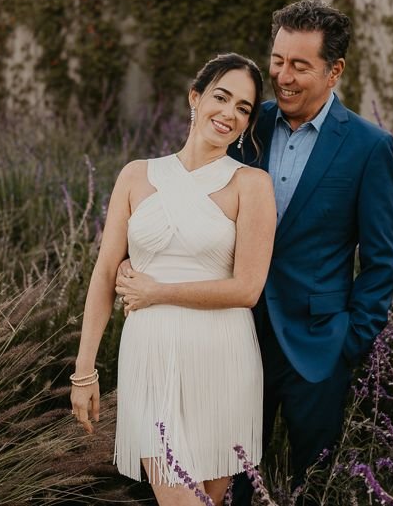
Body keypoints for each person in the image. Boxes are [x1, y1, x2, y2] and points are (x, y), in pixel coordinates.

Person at [70, 53, 276, 506]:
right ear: (195, 97)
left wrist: (157, 290)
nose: (229, 113)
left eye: (243, 108)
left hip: (223, 358)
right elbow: (105, 273)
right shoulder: (136, 175)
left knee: (208, 501)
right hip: (151, 356)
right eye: (221, 97)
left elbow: (247, 289)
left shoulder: (251, 184)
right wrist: (84, 371)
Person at [230, 0, 393, 504]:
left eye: (300, 66)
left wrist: (349, 342)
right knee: (231, 477)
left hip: (319, 349)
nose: (282, 76)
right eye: (277, 60)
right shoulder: (247, 125)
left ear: (335, 71)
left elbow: (382, 260)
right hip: (236, 337)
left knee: (315, 488)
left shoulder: (369, 147)